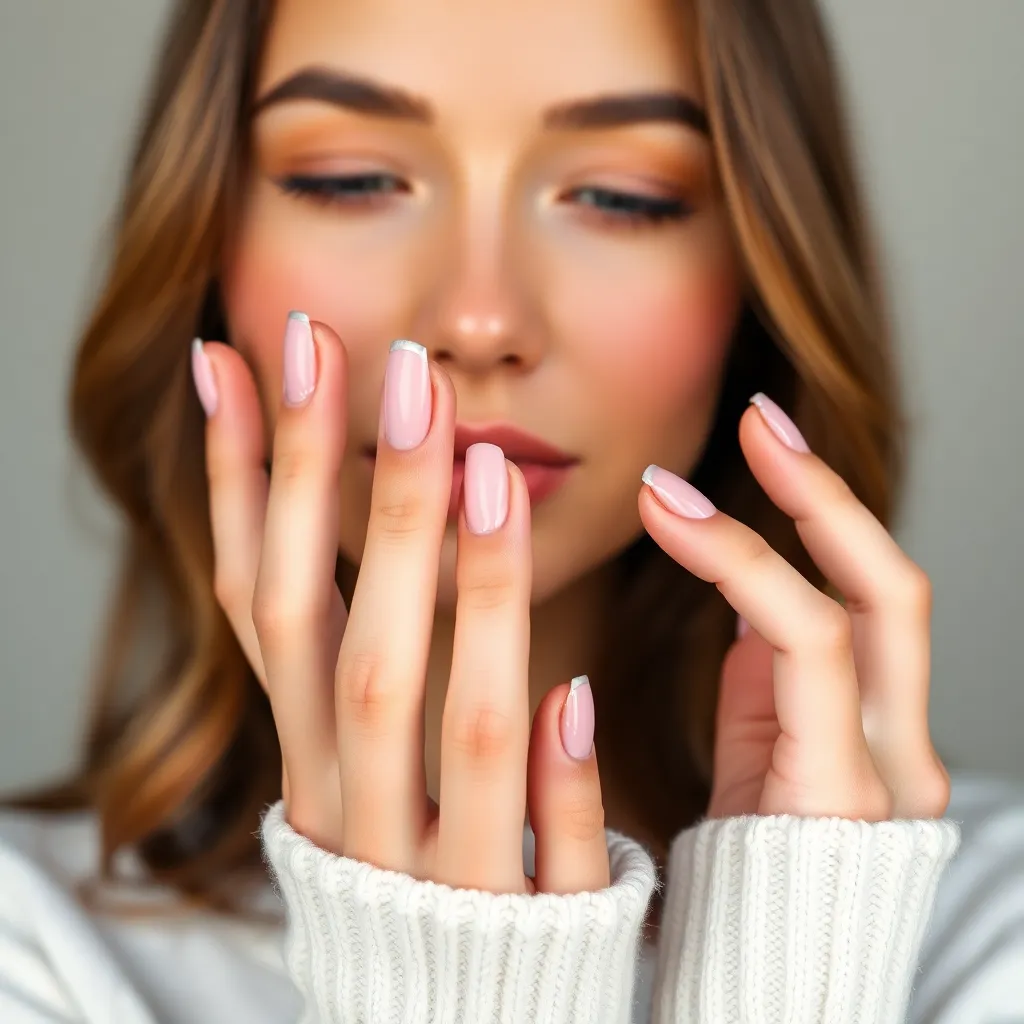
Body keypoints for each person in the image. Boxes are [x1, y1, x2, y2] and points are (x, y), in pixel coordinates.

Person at [2, 0, 1023, 1020]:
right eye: (347, 180)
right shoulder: (33, 941)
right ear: (205, 250)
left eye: (623, 195)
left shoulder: (994, 928)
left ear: (760, 278)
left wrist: (803, 955)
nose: (479, 318)